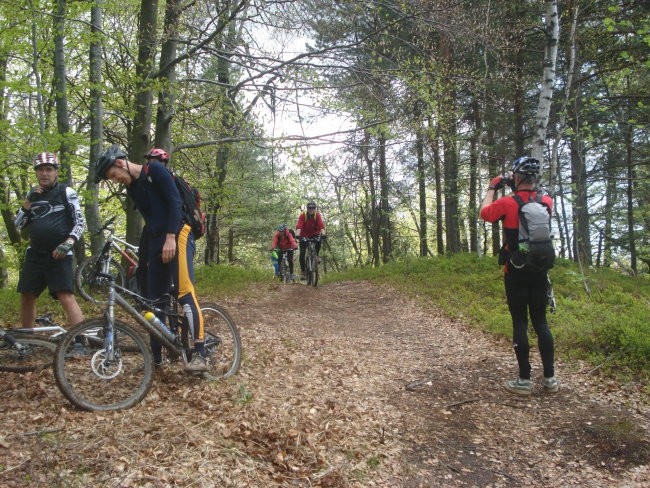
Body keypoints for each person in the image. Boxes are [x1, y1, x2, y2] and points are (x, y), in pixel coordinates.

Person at [94, 144, 207, 372]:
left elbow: (174, 203)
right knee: (155, 302)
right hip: (157, 240)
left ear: (120, 163)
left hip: (179, 232)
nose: (116, 181)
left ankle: (200, 354)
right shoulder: (134, 188)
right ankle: (156, 361)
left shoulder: (155, 171)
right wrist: (144, 257)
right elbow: (150, 220)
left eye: (114, 176)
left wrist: (170, 237)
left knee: (185, 292)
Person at [479, 156, 558, 395]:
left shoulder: (508, 203)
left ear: (517, 177)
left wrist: (493, 186)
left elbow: (484, 213)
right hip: (540, 269)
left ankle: (524, 380)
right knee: (541, 321)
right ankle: (550, 378)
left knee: (520, 321)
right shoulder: (547, 202)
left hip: (515, 269)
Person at [15, 152, 85, 329]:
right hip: (35, 254)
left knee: (65, 295)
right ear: (36, 173)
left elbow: (80, 221)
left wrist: (68, 242)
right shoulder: (33, 196)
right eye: (40, 170)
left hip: (60, 254)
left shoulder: (66, 192)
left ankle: (80, 339)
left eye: (48, 169)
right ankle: (28, 338)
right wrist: (28, 202)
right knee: (27, 295)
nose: (44, 173)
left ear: (56, 172)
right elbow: (19, 224)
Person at [295, 201, 326, 280]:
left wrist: (323, 233)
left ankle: (317, 255)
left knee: (319, 240)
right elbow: (299, 225)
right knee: (302, 253)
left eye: (313, 208)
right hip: (304, 235)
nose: (311, 210)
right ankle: (303, 272)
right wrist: (298, 235)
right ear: (307, 209)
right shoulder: (303, 216)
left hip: (315, 234)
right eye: (310, 208)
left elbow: (321, 225)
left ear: (315, 209)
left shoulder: (317, 215)